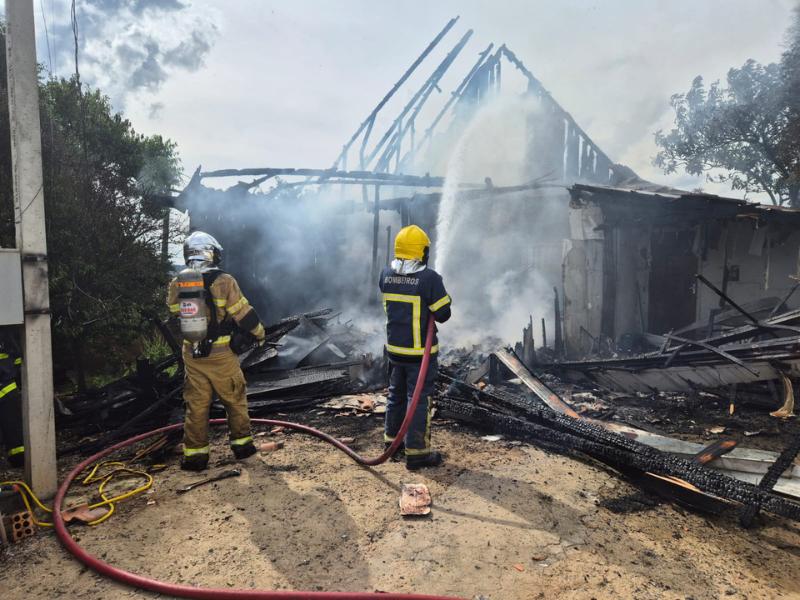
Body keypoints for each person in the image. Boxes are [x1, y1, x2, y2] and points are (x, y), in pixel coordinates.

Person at [167, 231, 266, 471]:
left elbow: (173, 313)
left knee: (197, 404)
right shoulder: (224, 281)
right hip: (221, 353)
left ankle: (195, 457)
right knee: (234, 398)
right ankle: (242, 446)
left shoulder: (177, 282)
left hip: (192, 353)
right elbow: (242, 313)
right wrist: (260, 333)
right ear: (210, 253)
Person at [379, 225, 451, 470]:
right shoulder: (429, 279)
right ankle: (417, 453)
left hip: (394, 351)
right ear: (422, 251)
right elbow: (443, 313)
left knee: (395, 395)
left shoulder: (385, 274)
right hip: (420, 355)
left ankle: (392, 443)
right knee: (418, 400)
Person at [0, 329, 24, 468]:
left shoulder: (5, 335)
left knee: (12, 428)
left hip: (7, 388)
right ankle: (17, 458)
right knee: (12, 427)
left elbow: (17, 358)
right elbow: (17, 358)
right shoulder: (6, 334)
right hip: (9, 388)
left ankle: (18, 458)